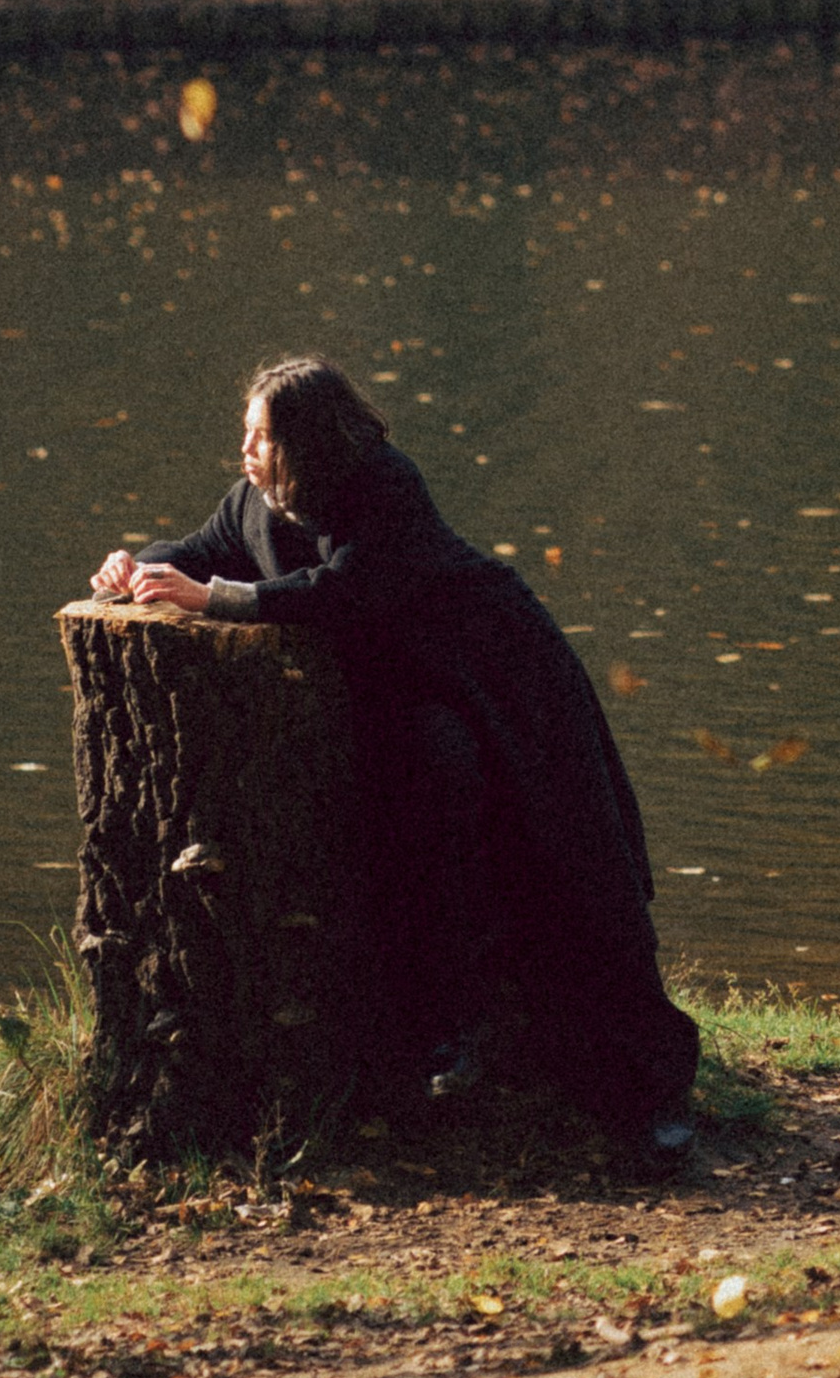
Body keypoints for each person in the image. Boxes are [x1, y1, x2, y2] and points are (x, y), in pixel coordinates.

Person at [90, 358, 699, 1168]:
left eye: (261, 436)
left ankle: (642, 1087)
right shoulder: (255, 500)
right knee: (418, 819)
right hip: (415, 683)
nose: (245, 450)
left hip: (495, 666)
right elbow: (199, 549)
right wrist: (134, 564)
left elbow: (346, 589)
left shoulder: (383, 484)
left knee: (567, 854)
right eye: (246, 433)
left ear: (305, 440)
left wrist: (213, 597)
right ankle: (443, 1037)